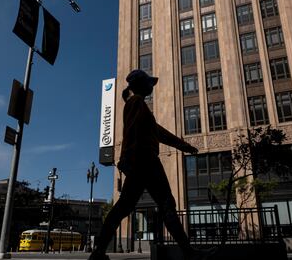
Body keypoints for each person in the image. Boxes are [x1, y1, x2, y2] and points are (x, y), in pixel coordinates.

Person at [88, 69, 216, 260]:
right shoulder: (136, 102)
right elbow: (131, 131)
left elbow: (158, 131)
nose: (151, 87)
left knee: (125, 207)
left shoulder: (139, 105)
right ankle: (188, 252)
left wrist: (184, 146)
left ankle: (98, 253)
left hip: (142, 161)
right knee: (164, 204)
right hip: (145, 161)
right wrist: (126, 158)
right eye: (149, 83)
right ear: (140, 84)